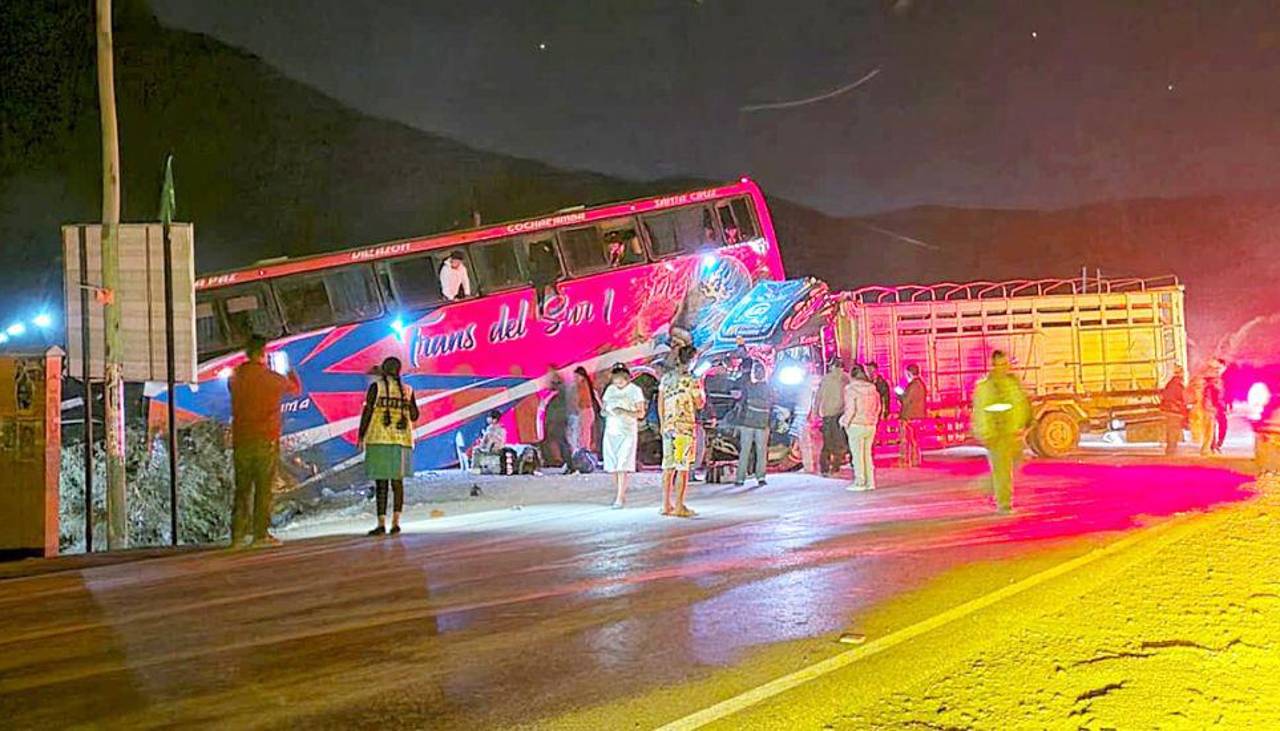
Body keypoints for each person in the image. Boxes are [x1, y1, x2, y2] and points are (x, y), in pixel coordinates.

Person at [228, 336, 302, 548]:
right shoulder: (272, 379)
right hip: (266, 440)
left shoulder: (235, 377)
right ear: (263, 353)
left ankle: (237, 536)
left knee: (242, 489)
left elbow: (233, 389)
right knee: (263, 488)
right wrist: (288, 370)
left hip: (241, 440)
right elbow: (296, 389)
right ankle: (260, 535)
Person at [359, 357, 420, 536]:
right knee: (397, 483)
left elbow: (367, 412)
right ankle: (396, 523)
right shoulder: (407, 390)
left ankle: (380, 524)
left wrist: (361, 435)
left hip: (378, 438)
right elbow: (415, 416)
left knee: (381, 484)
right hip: (401, 441)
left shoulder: (375, 387)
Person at [971, 350, 1032, 514]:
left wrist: (1024, 425)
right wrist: (985, 434)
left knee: (1012, 465)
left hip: (1013, 433)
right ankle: (1004, 504)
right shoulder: (985, 387)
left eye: (1005, 364)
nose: (1003, 368)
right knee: (1003, 471)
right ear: (993, 366)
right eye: (999, 365)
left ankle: (992, 486)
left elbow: (1020, 404)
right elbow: (980, 412)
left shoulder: (1012, 383)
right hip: (997, 435)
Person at [659, 345, 706, 517]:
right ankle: (679, 506)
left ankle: (665, 505)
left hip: (668, 426)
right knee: (682, 467)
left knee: (668, 467)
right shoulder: (692, 380)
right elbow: (700, 403)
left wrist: (663, 423)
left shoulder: (667, 378)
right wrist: (701, 389)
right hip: (684, 428)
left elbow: (660, 402)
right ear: (692, 360)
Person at [602, 364, 646, 508]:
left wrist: (624, 411)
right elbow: (603, 409)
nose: (618, 383)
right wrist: (607, 412)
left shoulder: (635, 391)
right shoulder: (610, 390)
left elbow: (641, 413)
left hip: (627, 432)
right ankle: (619, 492)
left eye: (621, 380)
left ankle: (620, 497)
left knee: (623, 464)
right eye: (615, 380)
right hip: (611, 431)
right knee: (613, 466)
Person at [840, 364, 882, 491]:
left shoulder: (851, 389)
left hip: (856, 424)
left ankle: (860, 482)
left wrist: (844, 422)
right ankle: (870, 482)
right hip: (870, 425)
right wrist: (874, 420)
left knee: (857, 455)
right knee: (867, 455)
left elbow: (851, 409)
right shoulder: (872, 388)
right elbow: (879, 407)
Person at [734, 359, 772, 487]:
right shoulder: (769, 388)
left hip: (748, 422)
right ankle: (760, 477)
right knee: (761, 451)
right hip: (762, 423)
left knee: (745, 451)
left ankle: (740, 478)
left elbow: (742, 403)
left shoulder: (748, 386)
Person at [814, 363, 850, 474]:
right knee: (839, 442)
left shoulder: (825, 378)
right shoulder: (846, 378)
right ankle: (835, 466)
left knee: (827, 442)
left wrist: (816, 411)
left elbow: (818, 396)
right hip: (840, 414)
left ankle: (824, 467)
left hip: (827, 414)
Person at [545, 366, 578, 473]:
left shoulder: (560, 388)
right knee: (558, 440)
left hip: (559, 418)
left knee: (562, 440)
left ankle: (570, 464)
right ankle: (565, 462)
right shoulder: (556, 389)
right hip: (554, 418)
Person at [899, 364, 927, 467]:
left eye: (906, 374)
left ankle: (911, 460)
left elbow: (906, 400)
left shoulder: (913, 385)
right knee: (915, 439)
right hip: (918, 415)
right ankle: (916, 460)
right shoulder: (921, 384)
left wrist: (900, 395)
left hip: (910, 416)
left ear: (909, 373)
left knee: (910, 439)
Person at [1202, 359, 1229, 454]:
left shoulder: (1222, 379)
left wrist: (1227, 404)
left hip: (1219, 406)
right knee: (1212, 426)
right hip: (1214, 406)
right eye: (1217, 368)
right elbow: (1212, 394)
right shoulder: (1211, 381)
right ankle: (1213, 446)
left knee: (1221, 425)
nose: (1218, 370)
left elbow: (1225, 393)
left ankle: (1217, 444)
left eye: (1220, 368)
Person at [1159, 366, 1187, 455]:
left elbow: (1165, 396)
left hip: (1169, 410)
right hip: (1175, 410)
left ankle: (1170, 449)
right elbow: (1182, 398)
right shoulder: (1178, 385)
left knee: (1171, 430)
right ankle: (1171, 450)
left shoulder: (1170, 383)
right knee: (1173, 431)